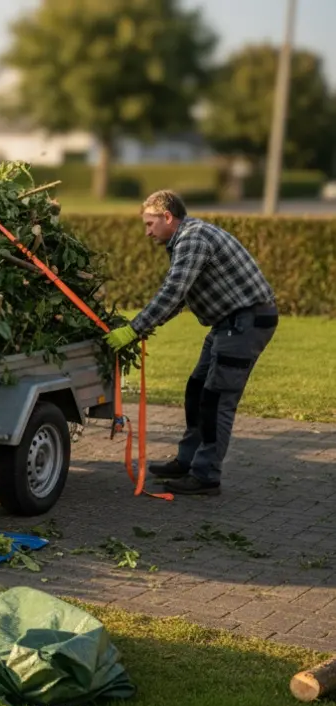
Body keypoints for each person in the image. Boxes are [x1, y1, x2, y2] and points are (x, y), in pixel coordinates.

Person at [103, 190, 278, 496]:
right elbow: (179, 299)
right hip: (228, 323)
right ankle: (187, 461)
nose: (147, 232)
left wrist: (134, 329)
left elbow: (173, 291)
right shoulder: (185, 239)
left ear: (167, 217)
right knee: (196, 389)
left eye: (149, 224)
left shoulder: (193, 239)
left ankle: (206, 475)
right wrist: (140, 330)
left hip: (245, 323)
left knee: (216, 400)